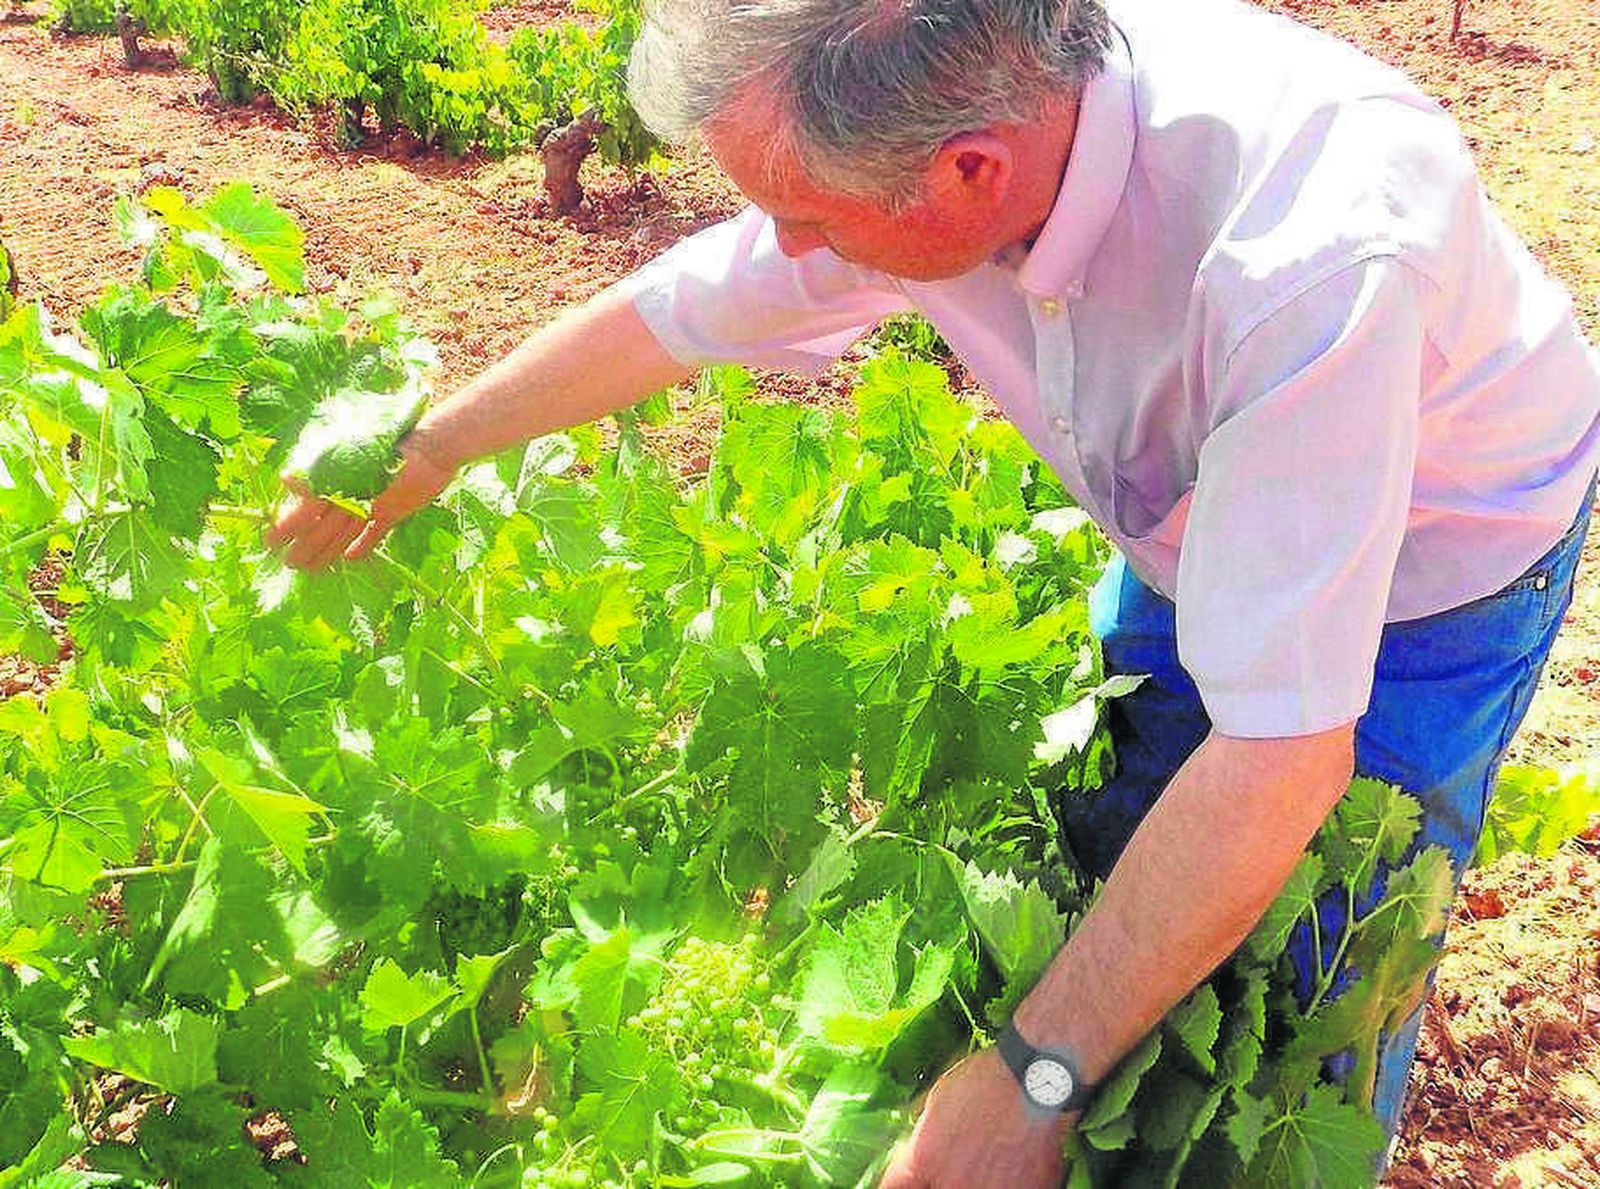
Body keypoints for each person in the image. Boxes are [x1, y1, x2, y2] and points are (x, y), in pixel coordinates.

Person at [268, 0, 1600, 1183]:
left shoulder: (1305, 253)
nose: (780, 242)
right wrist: (433, 446)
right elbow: (688, 307)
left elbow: (1282, 753)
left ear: (969, 172)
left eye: (803, 215)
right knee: (1125, 853)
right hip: (1193, 505)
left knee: (1321, 965)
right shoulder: (945, 148)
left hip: (1446, 552)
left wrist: (1034, 1071)